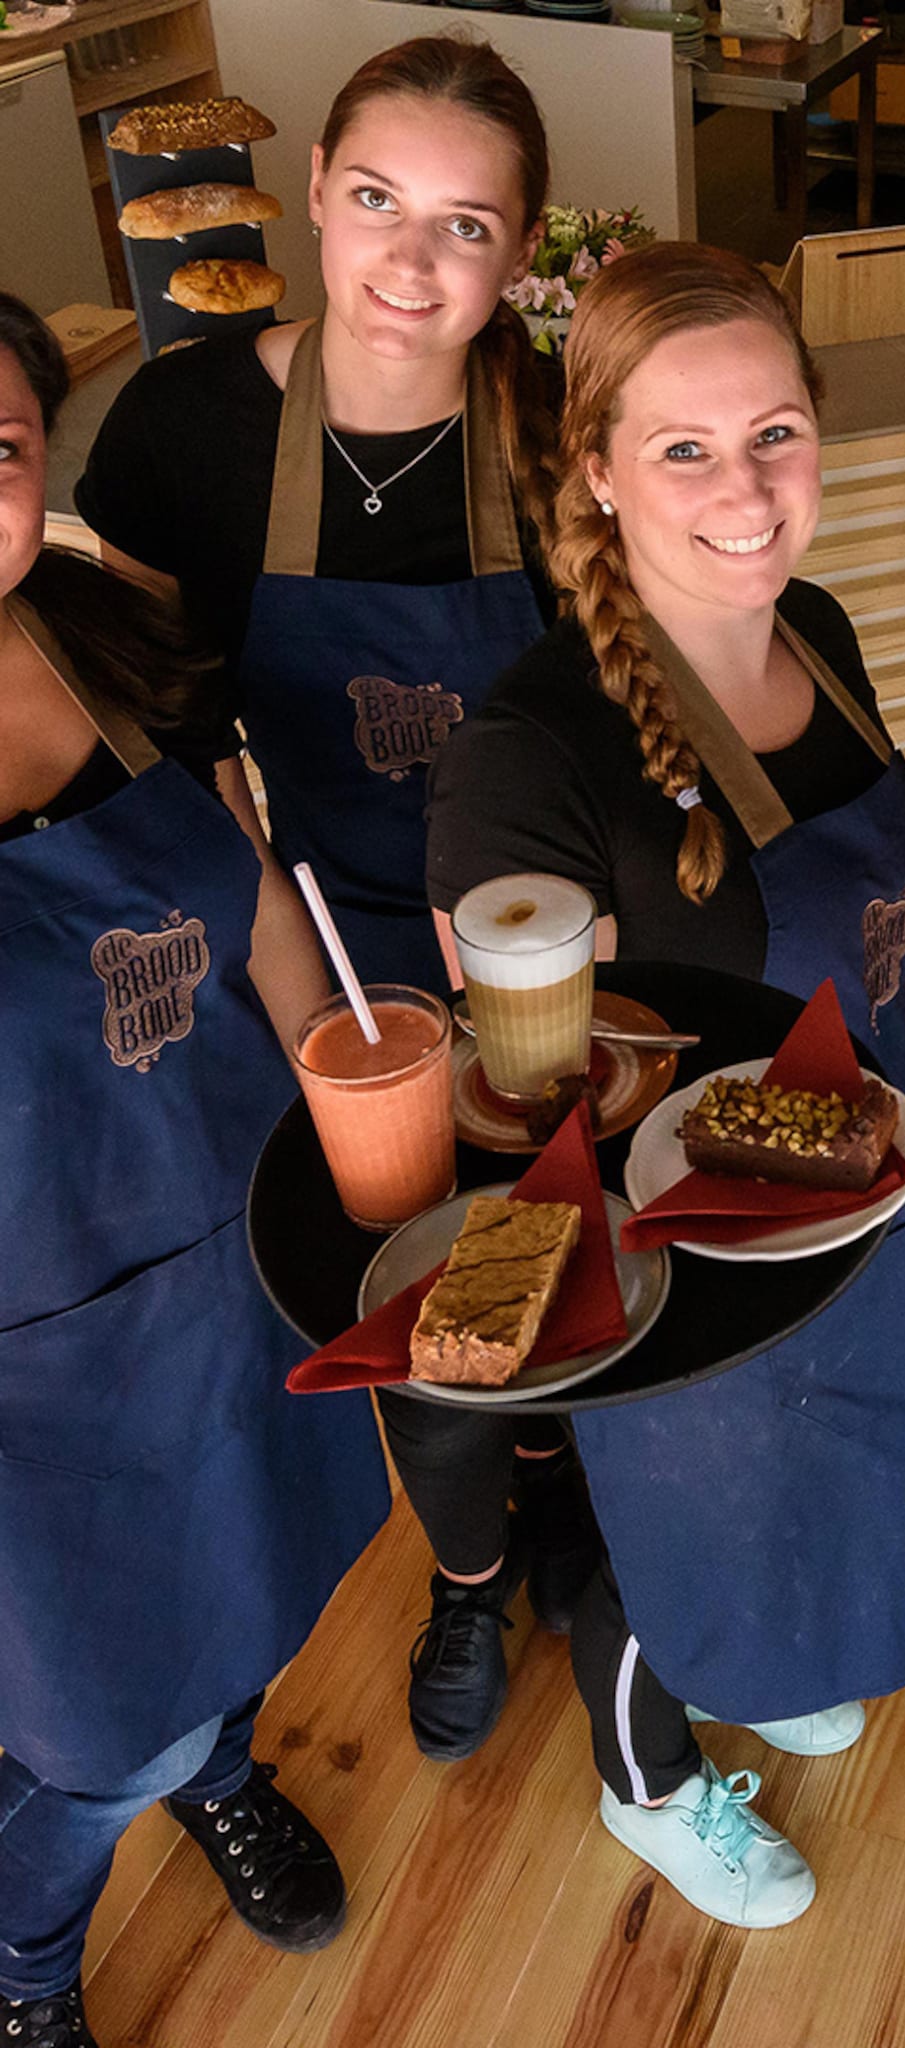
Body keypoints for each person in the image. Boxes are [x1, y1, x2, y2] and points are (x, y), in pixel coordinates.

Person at [77, 36, 600, 1768]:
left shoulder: (561, 428)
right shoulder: (184, 429)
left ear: (520, 249)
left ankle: (567, 1483)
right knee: (406, 1284)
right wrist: (317, 1022)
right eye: (376, 198)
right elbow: (169, 751)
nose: (409, 261)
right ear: (310, 187)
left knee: (560, 1237)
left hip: (543, 944)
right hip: (316, 944)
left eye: (466, 224)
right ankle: (468, 1572)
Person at [424, 241, 905, 1931]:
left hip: (863, 1174)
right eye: (684, 449)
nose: (747, 492)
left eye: (776, 434)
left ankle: (772, 1650)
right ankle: (647, 1777)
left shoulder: (820, 629)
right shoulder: (537, 749)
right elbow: (522, 1089)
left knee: (840, 1471)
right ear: (595, 468)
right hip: (680, 1247)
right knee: (688, 1527)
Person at [0, 296, 390, 2048]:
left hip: (236, 1265)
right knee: (90, 1735)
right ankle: (26, 1966)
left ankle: (220, 1763)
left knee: (252, 1592)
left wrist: (356, 1107)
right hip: (32, 1372)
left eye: (0, 445)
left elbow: (250, 903)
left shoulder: (102, 639)